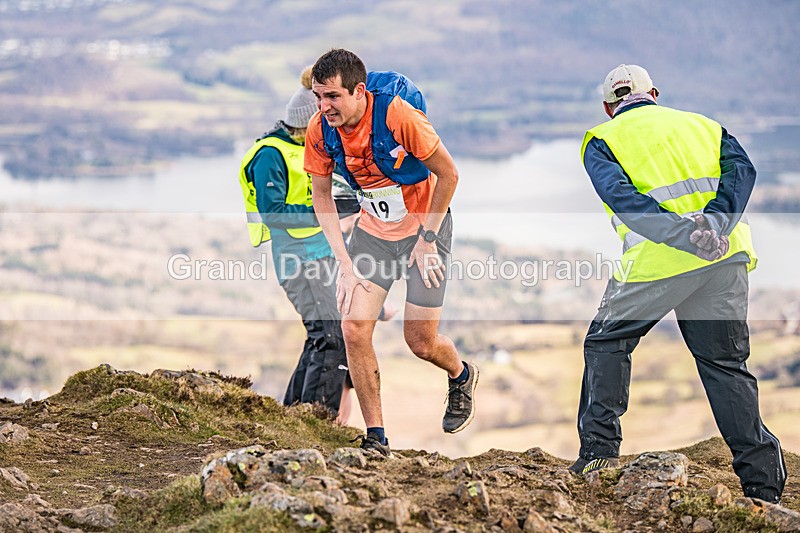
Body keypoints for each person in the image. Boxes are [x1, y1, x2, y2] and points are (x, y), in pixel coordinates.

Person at [571, 64, 786, 504]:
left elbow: (624, 200)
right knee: (726, 366)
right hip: (724, 256)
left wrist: (683, 236)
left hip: (657, 263)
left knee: (606, 341)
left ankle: (598, 453)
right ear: (654, 93)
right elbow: (742, 174)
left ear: (610, 107)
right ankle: (763, 484)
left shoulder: (602, 139)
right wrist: (714, 225)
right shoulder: (706, 126)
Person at [304, 48, 479, 456]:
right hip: (373, 233)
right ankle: (376, 438)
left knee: (420, 341)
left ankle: (461, 373)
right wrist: (344, 264)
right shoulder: (320, 129)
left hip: (425, 228)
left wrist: (428, 240)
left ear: (358, 91)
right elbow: (321, 196)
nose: (323, 106)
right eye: (318, 96)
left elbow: (449, 174)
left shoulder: (397, 116)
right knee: (353, 328)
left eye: (332, 96)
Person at [238, 67, 348, 419]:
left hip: (317, 256)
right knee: (330, 339)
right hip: (298, 263)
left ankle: (292, 417)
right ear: (307, 121)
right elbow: (275, 213)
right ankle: (316, 422)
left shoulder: (305, 148)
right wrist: (326, 211)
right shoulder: (271, 154)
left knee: (321, 337)